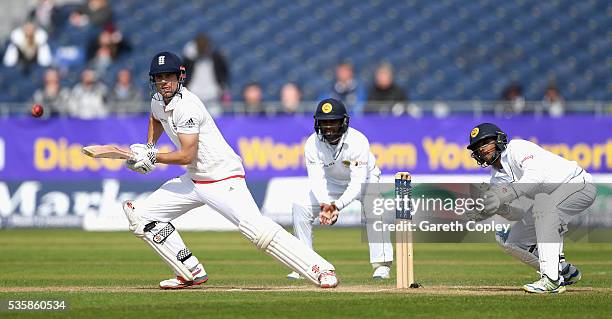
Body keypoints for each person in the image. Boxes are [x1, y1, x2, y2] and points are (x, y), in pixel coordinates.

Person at [121, 51, 338, 289]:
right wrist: (150, 144)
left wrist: (153, 156)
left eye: (168, 76)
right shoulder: (157, 100)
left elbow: (187, 155)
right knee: (142, 216)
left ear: (180, 76)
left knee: (256, 230)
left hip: (223, 177)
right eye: (159, 77)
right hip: (194, 179)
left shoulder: (187, 106)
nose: (164, 81)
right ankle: (189, 270)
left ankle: (320, 269)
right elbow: (156, 116)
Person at [466, 123, 596, 294]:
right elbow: (518, 214)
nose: (481, 150)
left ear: (498, 139)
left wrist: (502, 196)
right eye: (477, 147)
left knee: (544, 208)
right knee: (508, 240)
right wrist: (495, 208)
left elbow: (536, 177)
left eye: (485, 143)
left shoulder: (517, 148)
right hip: (548, 199)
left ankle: (552, 280)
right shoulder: (496, 179)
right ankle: (562, 270)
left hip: (577, 185)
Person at [288, 98, 393, 280]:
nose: (328, 127)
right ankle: (304, 264)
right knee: (300, 207)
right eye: (324, 122)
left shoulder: (358, 141)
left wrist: (337, 206)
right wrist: (324, 205)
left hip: (366, 180)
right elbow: (316, 179)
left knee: (374, 206)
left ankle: (382, 265)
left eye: (333, 122)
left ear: (343, 122)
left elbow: (357, 181)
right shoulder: (311, 143)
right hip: (331, 184)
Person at [183, 34, 230, 117]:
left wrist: (224, 90)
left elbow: (224, 74)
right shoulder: (190, 60)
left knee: (215, 122)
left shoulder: (216, 58)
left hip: (213, 97)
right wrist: (190, 52)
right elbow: (183, 69)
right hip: (194, 96)